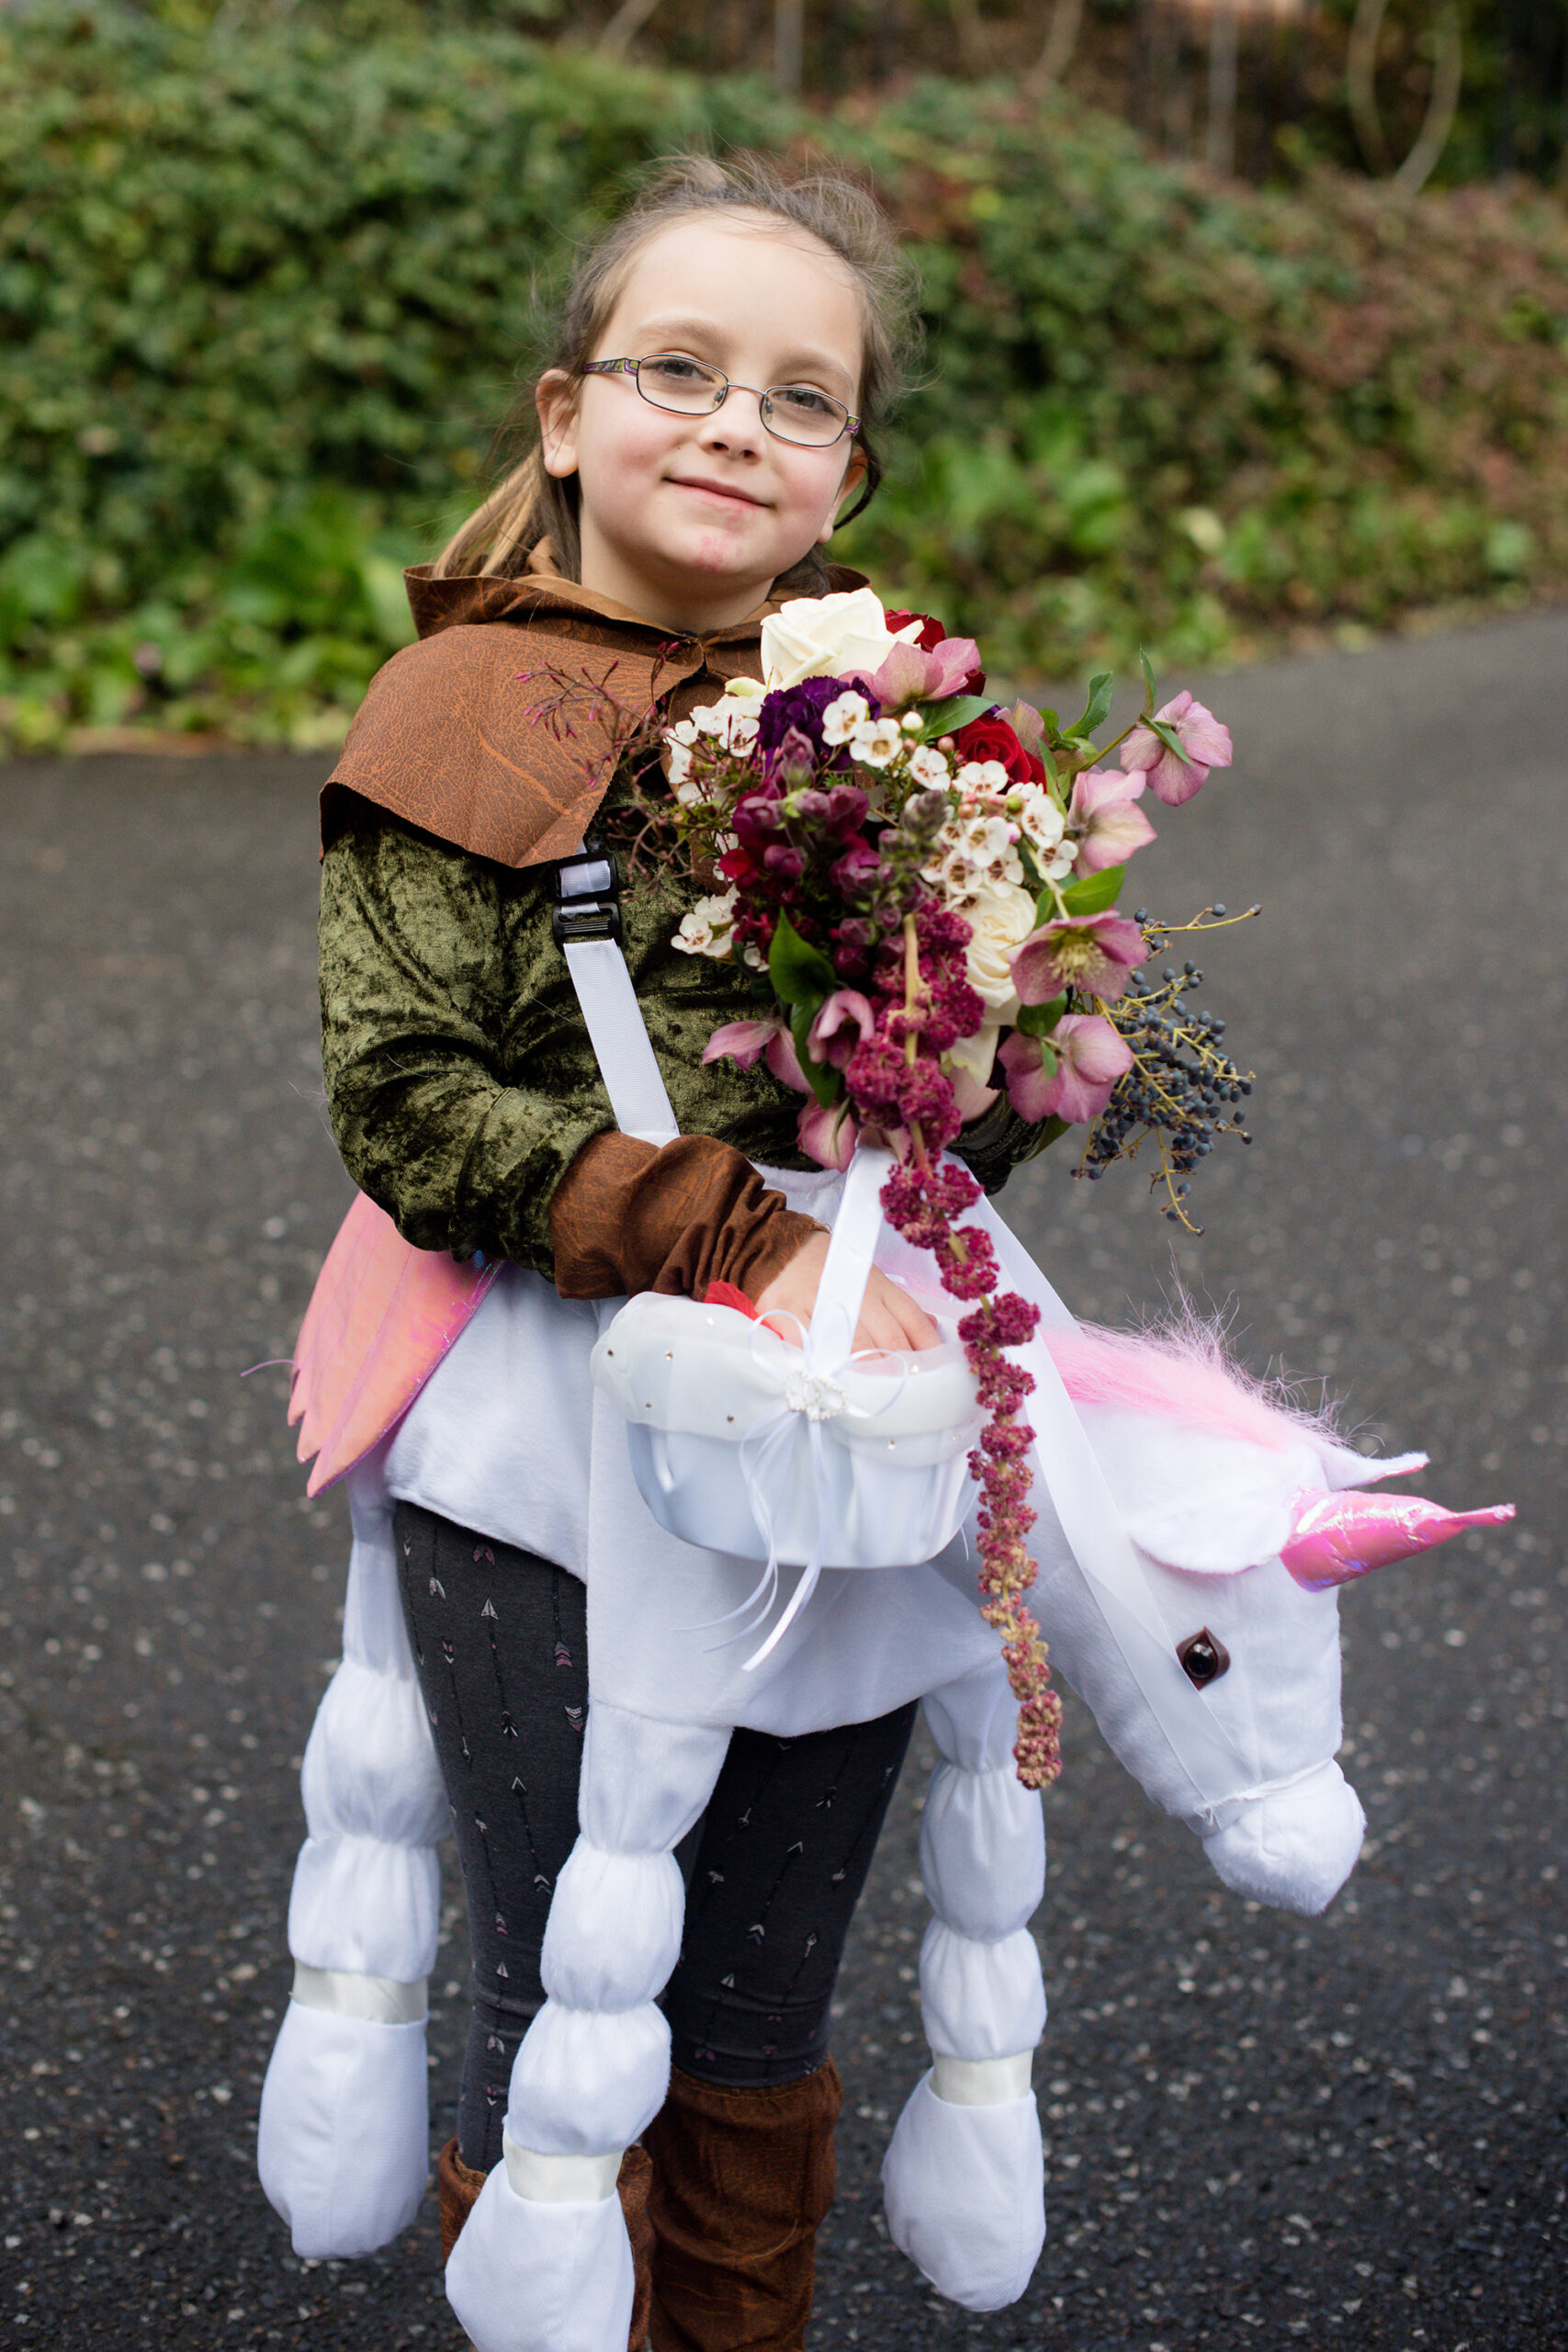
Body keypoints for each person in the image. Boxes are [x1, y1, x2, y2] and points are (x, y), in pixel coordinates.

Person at [262, 153, 1055, 2352]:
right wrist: (717, 1225)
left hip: (830, 1412)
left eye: (798, 398)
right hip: (545, 1413)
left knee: (761, 1992)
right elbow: (408, 1096)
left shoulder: (892, 732)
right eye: (677, 369)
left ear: (846, 475)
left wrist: (1000, 1039)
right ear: (560, 412)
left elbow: (932, 1100)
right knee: (572, 1968)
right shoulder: (460, 711)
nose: (732, 422)